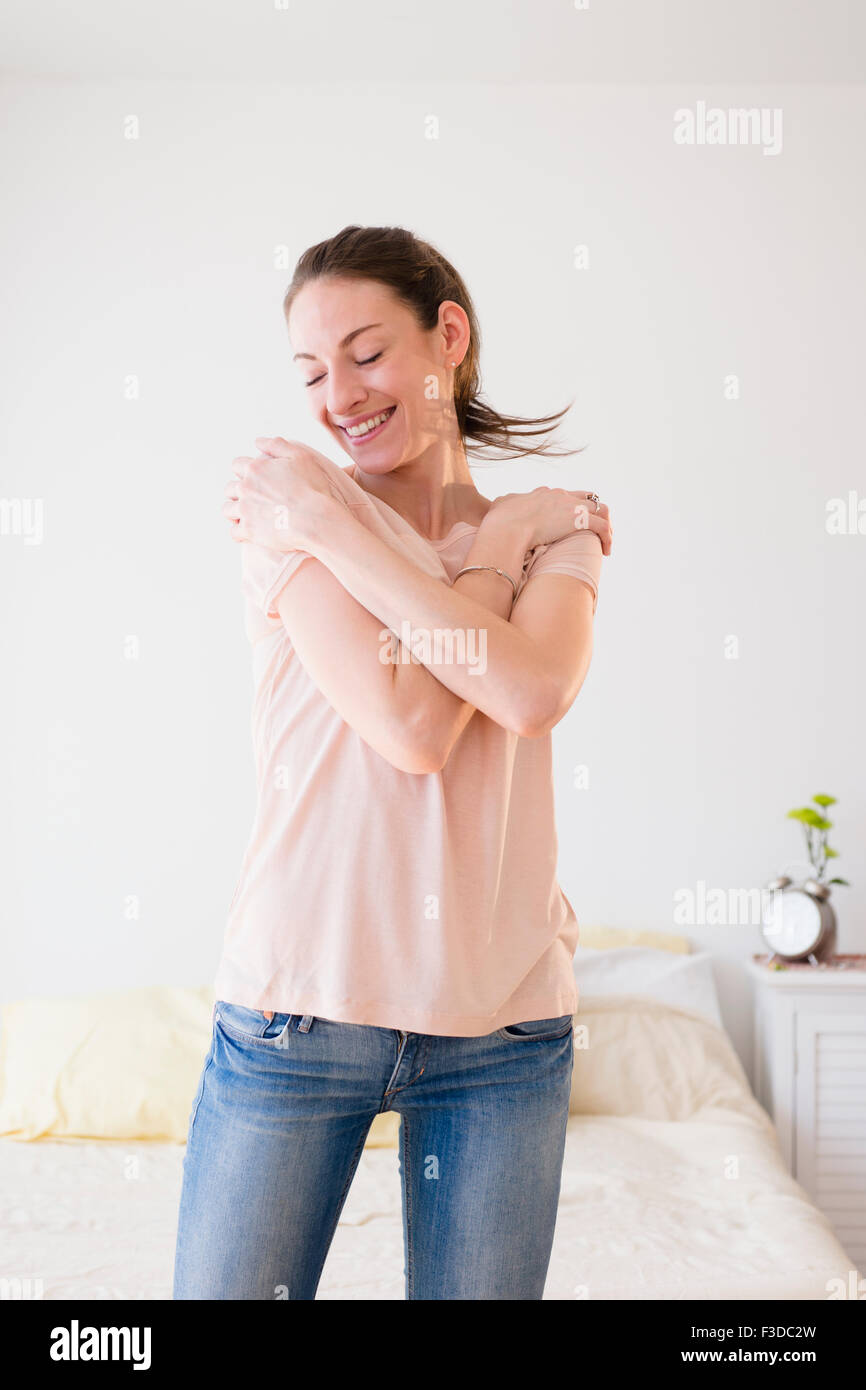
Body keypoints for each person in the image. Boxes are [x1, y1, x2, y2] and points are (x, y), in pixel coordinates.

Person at [173, 224, 613, 1301]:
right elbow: (414, 730)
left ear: (445, 338)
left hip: (500, 1030)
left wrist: (499, 538)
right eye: (312, 371)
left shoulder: (554, 531)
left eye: (365, 353)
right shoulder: (291, 518)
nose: (337, 395)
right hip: (297, 1009)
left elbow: (527, 690)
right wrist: (489, 551)